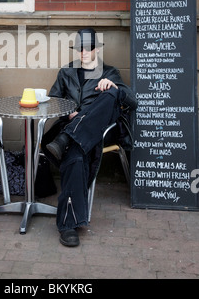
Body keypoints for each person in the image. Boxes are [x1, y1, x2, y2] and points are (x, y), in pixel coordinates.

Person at [41, 28, 137, 247]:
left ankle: (68, 137)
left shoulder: (109, 72)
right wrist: (69, 113)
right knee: (76, 153)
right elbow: (54, 100)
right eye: (80, 48)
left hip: (100, 130)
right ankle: (68, 225)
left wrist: (114, 87)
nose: (83, 52)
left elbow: (132, 101)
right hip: (74, 131)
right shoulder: (67, 72)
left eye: (88, 48)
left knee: (112, 93)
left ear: (96, 49)